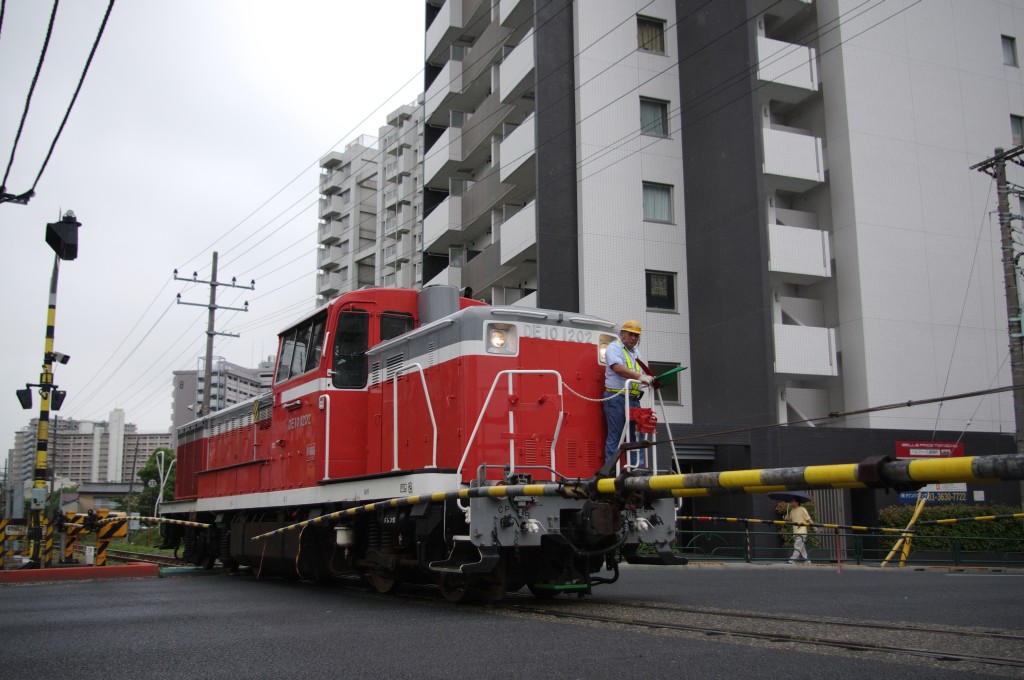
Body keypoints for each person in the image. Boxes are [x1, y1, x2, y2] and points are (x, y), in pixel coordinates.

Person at [603, 319, 654, 467]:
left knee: (636, 435)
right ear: (622, 334)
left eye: (636, 335)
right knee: (615, 436)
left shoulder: (636, 352)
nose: (633, 338)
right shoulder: (614, 347)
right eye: (630, 334)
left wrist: (650, 379)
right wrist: (640, 377)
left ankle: (636, 468)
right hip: (616, 398)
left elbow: (642, 372)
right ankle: (611, 470)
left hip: (633, 399)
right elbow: (617, 368)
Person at [785, 497, 817, 563]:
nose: (791, 502)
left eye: (793, 501)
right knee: (802, 547)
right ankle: (807, 560)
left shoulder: (802, 509)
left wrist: (814, 527)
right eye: (791, 501)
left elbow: (808, 519)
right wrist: (787, 518)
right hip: (795, 531)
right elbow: (790, 520)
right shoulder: (792, 511)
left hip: (802, 531)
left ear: (797, 502)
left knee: (797, 545)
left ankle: (792, 559)